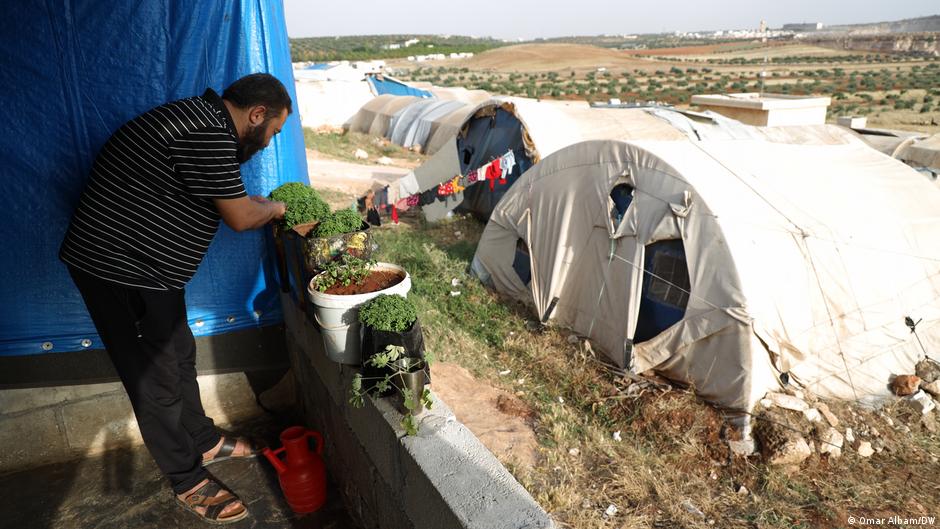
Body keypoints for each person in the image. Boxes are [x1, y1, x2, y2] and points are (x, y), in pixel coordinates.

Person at [59, 73, 292, 524]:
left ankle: (202, 438)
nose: (267, 143)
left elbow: (226, 201)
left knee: (179, 352)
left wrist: (256, 203)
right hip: (118, 268)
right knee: (154, 378)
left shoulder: (204, 122)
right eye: (273, 131)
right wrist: (277, 209)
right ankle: (187, 478)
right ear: (257, 114)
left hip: (150, 268)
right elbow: (242, 217)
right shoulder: (207, 132)